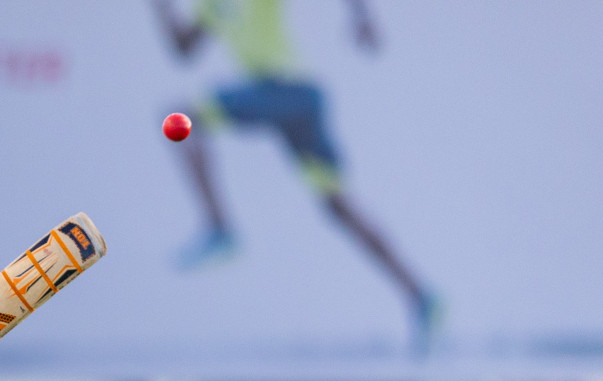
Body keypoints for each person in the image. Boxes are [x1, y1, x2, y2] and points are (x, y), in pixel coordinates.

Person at [151, 0, 437, 339]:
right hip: (293, 99)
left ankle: (220, 229)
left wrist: (362, 18)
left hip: (287, 89)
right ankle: (420, 294)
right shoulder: (211, 5)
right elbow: (184, 48)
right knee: (338, 205)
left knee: (180, 118)